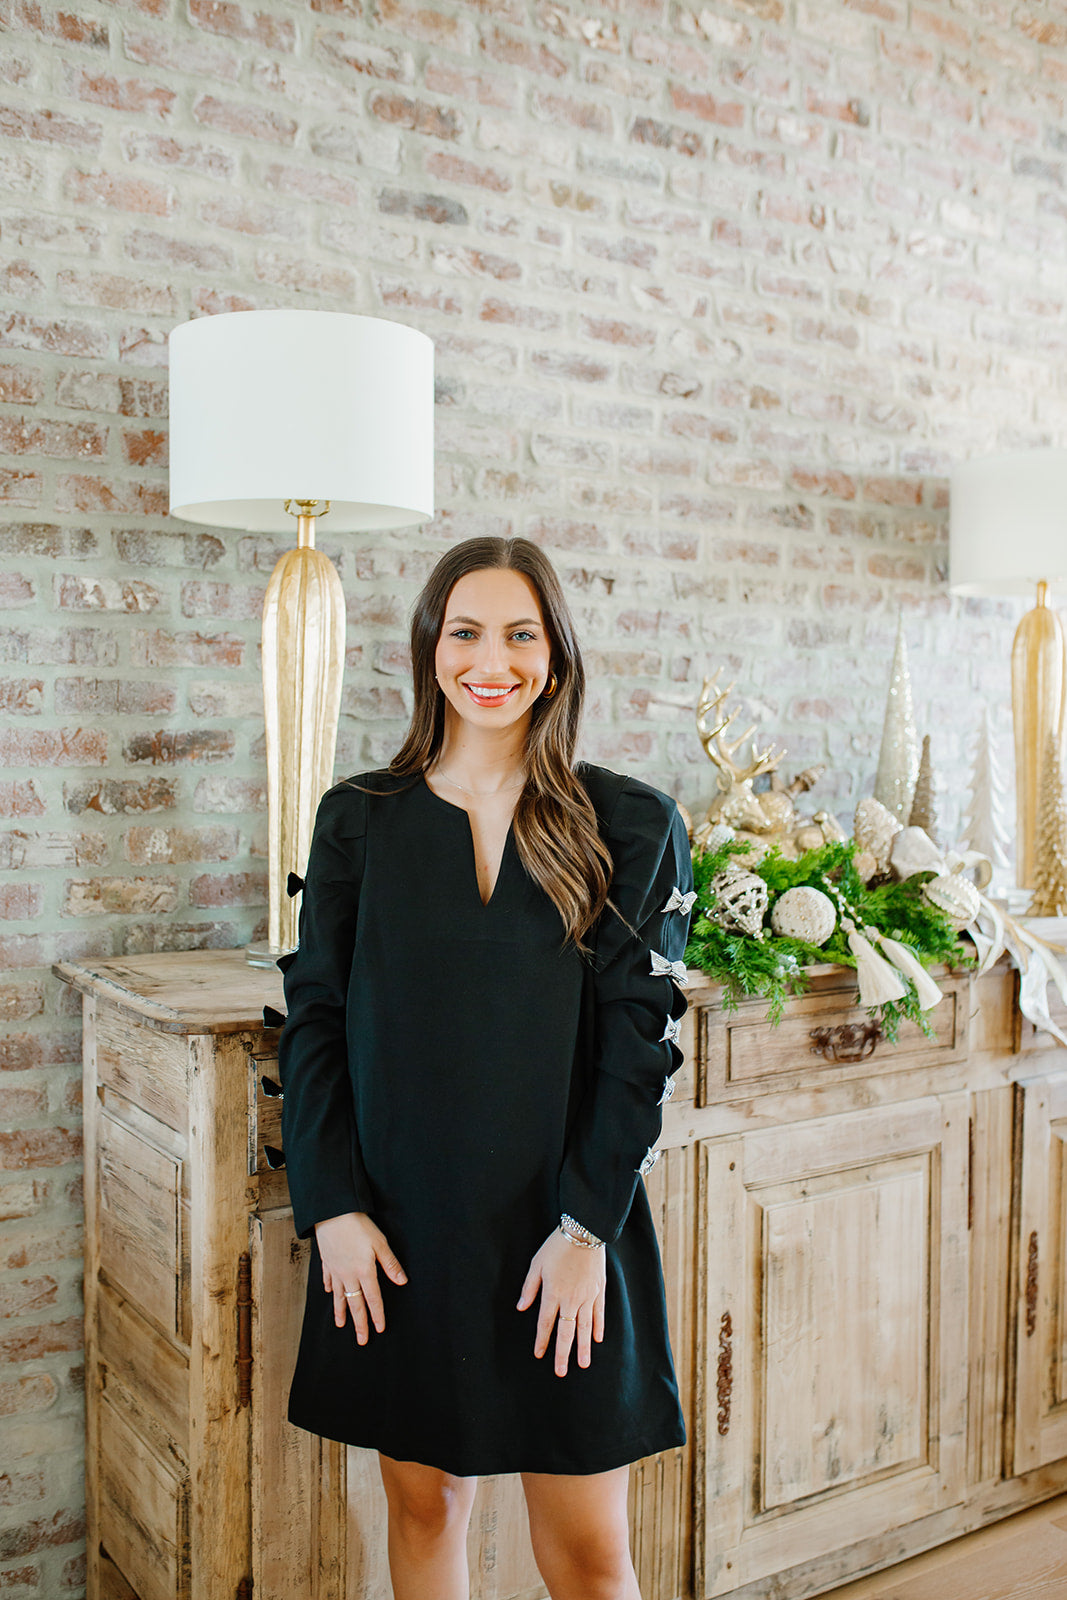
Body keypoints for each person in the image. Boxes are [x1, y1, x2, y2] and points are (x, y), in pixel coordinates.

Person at [278, 536, 695, 1600]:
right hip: (397, 1235)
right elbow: (315, 1021)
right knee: (425, 1509)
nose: (490, 660)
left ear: (554, 654)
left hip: (564, 1237)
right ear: (428, 649)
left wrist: (583, 1229)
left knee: (591, 1553)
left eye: (520, 633)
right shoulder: (355, 821)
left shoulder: (631, 824)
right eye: (464, 631)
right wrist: (332, 1208)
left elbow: (639, 1053)